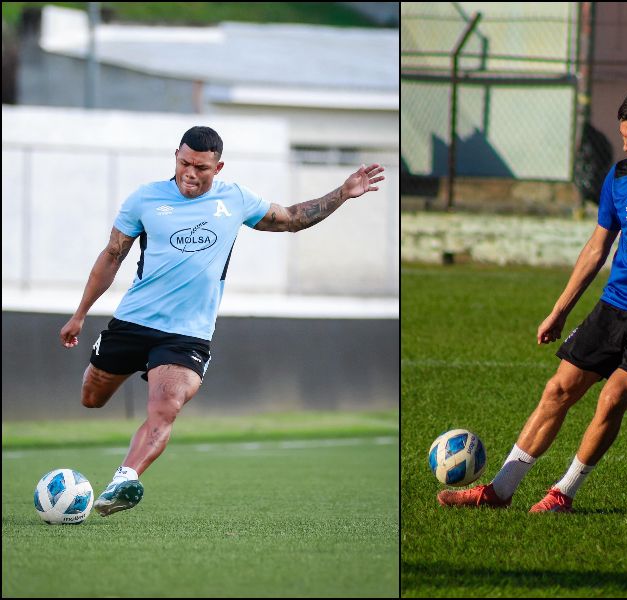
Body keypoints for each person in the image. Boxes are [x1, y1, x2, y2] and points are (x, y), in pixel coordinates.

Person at [438, 88, 627, 513]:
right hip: (615, 304)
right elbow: (597, 247)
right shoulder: (619, 176)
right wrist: (559, 310)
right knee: (558, 390)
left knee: (613, 397)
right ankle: (499, 491)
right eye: (624, 136)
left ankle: (562, 493)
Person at [59, 126, 384, 516]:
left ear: (219, 167)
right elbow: (112, 255)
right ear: (175, 156)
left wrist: (342, 193)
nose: (190, 173)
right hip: (132, 322)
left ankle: (125, 477)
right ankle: (122, 460)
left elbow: (293, 218)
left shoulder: (235, 199)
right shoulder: (144, 199)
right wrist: (80, 314)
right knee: (91, 398)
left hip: (186, 334)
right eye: (184, 163)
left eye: (201, 167)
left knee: (167, 405)